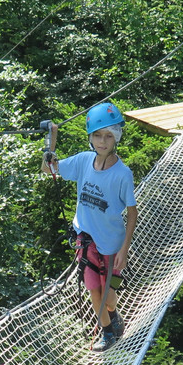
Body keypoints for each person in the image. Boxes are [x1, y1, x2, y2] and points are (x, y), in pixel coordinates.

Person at [41, 102, 138, 352]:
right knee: (94, 291)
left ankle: (114, 316)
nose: (102, 141)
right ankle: (108, 334)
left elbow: (132, 212)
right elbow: (48, 167)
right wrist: (51, 141)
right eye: (97, 135)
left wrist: (124, 250)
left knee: (108, 298)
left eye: (108, 135)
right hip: (85, 240)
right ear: (90, 138)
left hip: (110, 244)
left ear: (116, 137)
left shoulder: (122, 174)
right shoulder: (84, 161)